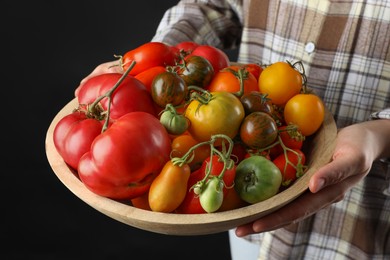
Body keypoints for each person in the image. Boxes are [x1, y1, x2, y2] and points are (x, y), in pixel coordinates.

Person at [77, 1, 390, 259]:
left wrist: (380, 134)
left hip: (364, 226)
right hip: (248, 216)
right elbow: (216, 5)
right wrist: (161, 60)